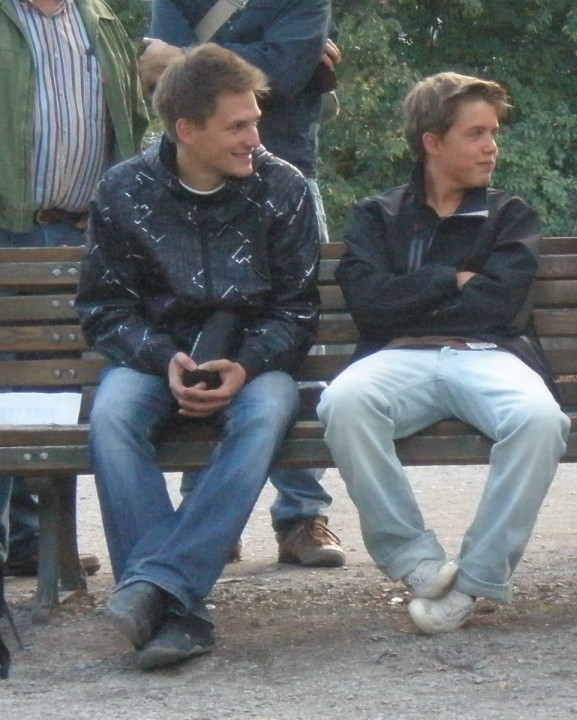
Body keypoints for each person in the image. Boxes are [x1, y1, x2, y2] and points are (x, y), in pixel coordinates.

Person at [76, 44, 322, 670]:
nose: (254, 138)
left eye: (255, 122)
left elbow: (297, 309)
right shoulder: (124, 189)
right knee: (112, 415)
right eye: (237, 126)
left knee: (265, 414)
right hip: (153, 361)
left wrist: (248, 362)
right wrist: (163, 357)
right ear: (187, 129)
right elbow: (104, 308)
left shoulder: (284, 188)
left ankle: (153, 588)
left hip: (254, 364)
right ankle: (177, 609)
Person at [316, 72, 571, 635]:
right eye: (475, 134)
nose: (491, 147)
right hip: (398, 357)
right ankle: (415, 561)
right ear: (433, 141)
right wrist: (450, 279)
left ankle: (474, 581)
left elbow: (498, 304)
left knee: (540, 420)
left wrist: (409, 297)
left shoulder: (511, 215)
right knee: (343, 403)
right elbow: (368, 302)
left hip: (490, 353)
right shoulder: (378, 215)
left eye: (493, 133)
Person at [138, 0, 346, 568]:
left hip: (286, 179)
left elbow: (283, 70)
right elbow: (168, 81)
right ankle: (208, 513)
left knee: (298, 341)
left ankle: (301, 515)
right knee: (197, 331)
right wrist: (257, 57)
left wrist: (186, 61)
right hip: (192, 183)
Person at [0, 0, 147, 577]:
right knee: (4, 384)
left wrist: (111, 210)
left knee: (54, 387)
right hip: (6, 230)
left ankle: (36, 543)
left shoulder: (100, 19)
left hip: (77, 234)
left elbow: (129, 121)